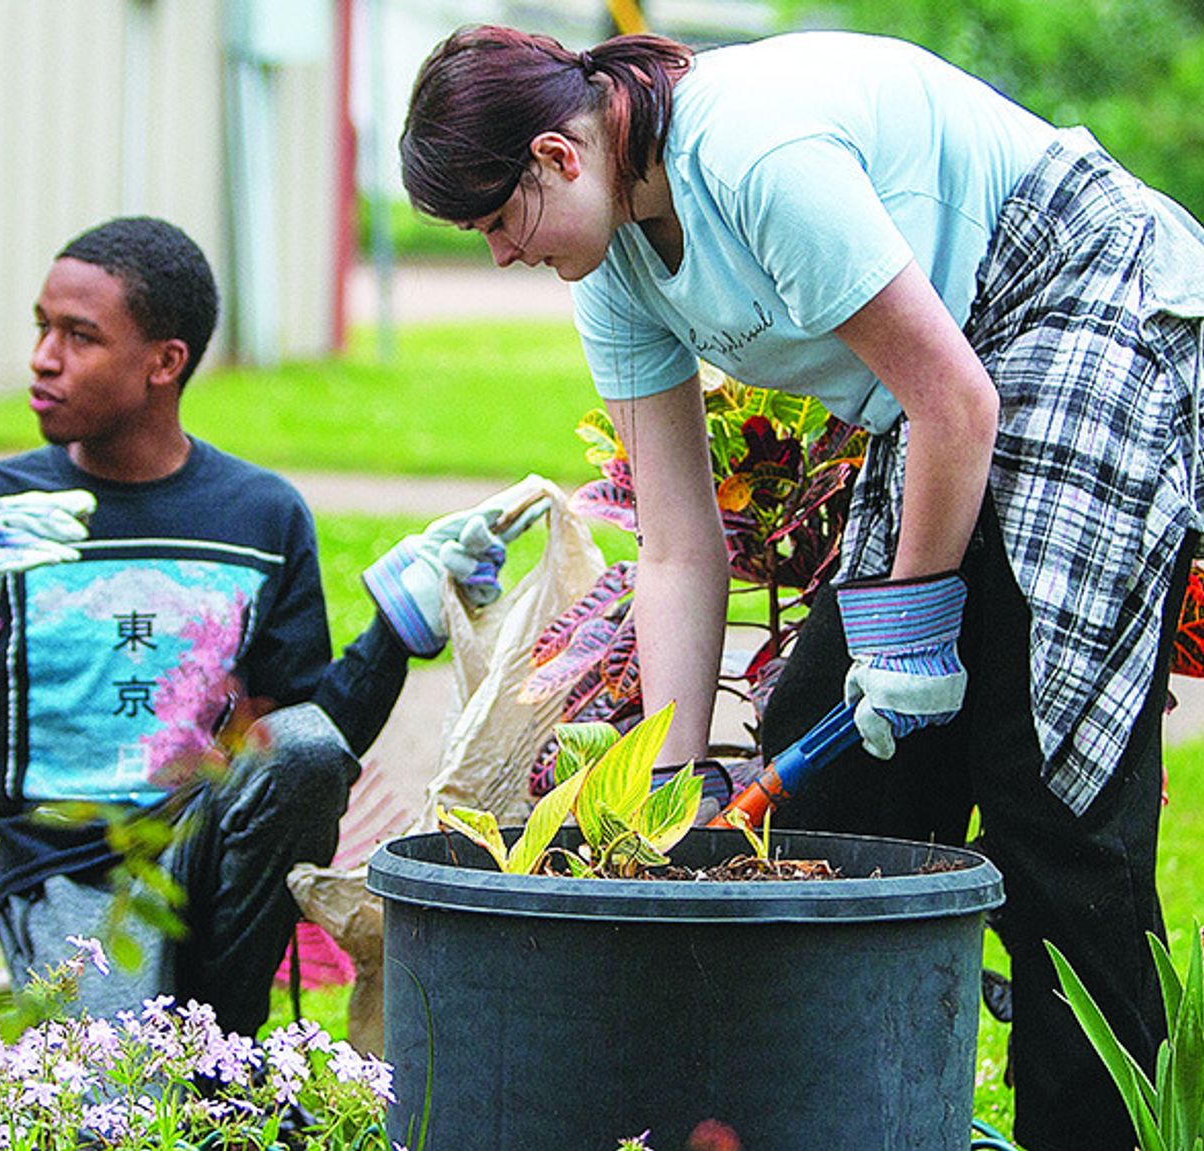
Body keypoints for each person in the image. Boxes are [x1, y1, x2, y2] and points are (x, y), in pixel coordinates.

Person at [399, 25, 1204, 1151]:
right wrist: (671, 782)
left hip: (1083, 294)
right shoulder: (612, 266)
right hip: (946, 378)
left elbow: (956, 403)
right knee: (831, 775)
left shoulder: (753, 154)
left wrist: (912, 634)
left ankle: (1107, 1131)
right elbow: (679, 544)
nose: (496, 256)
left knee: (1045, 783)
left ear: (557, 156)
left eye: (495, 221)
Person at [0, 215, 537, 1035]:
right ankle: (221, 1063)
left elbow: (305, 757)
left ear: (165, 362)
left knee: (301, 753)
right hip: (63, 876)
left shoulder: (259, 515)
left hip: (215, 864)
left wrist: (398, 628)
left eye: (80, 336)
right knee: (126, 1088)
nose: (43, 357)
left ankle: (225, 1043)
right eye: (42, 328)